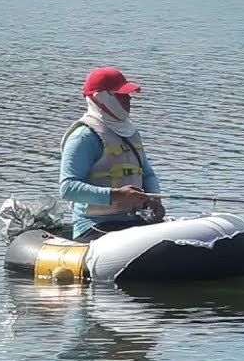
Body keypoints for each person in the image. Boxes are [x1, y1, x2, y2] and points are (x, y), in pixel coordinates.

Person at [59, 66, 165, 242]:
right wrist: (117, 194)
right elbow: (68, 188)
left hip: (132, 220)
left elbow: (147, 174)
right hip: (95, 227)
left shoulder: (130, 132)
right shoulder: (84, 137)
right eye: (122, 95)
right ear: (102, 98)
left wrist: (155, 200)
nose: (129, 99)